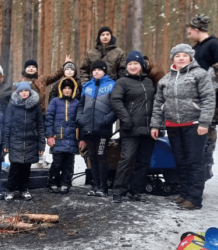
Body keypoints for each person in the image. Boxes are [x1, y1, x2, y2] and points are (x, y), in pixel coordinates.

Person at [150, 44, 215, 210]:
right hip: (173, 126)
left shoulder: (199, 75)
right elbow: (158, 104)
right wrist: (155, 125)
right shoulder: (166, 80)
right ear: (173, 58)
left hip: (194, 125)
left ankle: (194, 198)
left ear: (190, 57)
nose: (180, 58)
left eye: (184, 55)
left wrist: (204, 123)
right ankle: (185, 194)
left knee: (194, 161)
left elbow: (208, 99)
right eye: (177, 55)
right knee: (181, 161)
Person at [110, 51, 156, 203]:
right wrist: (126, 119)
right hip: (130, 128)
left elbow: (156, 102)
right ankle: (118, 191)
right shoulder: (122, 82)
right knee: (127, 159)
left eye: (136, 63)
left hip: (148, 129)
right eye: (130, 64)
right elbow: (116, 101)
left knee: (143, 161)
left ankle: (135, 191)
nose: (132, 66)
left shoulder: (149, 82)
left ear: (142, 66)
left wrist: (157, 124)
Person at [187, 14, 218, 181]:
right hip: (193, 101)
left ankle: (203, 174)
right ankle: (192, 177)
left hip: (208, 101)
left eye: (190, 32)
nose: (188, 34)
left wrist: (210, 91)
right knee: (193, 140)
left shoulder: (214, 44)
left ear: (197, 30)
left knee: (206, 137)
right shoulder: (195, 49)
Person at [76, 60, 117, 197]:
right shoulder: (87, 86)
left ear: (104, 71)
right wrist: (80, 119)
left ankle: (103, 187)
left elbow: (116, 107)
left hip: (102, 130)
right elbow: (81, 105)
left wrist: (107, 120)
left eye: (99, 70)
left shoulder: (111, 85)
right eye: (94, 70)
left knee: (101, 157)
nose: (96, 72)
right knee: (92, 157)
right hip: (88, 128)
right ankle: (95, 185)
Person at [3, 82, 45, 202]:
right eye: (21, 91)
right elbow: (7, 125)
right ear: (18, 92)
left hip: (31, 142)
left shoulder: (36, 107)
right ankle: (10, 190)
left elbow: (40, 126)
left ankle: (24, 189)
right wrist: (6, 143)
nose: (24, 93)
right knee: (15, 168)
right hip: (15, 141)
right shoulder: (12, 106)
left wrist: (41, 144)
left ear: (30, 92)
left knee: (26, 168)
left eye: (26, 91)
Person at [45, 77, 79, 194]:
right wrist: (49, 135)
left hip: (72, 138)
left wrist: (81, 138)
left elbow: (80, 121)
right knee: (57, 162)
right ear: (61, 89)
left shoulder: (77, 103)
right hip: (58, 138)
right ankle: (53, 183)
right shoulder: (55, 101)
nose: (67, 90)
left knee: (69, 164)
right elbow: (49, 118)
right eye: (65, 88)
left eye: (70, 88)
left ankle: (65, 183)